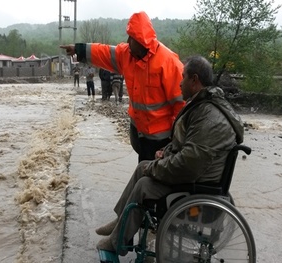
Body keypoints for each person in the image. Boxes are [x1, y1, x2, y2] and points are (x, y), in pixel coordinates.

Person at [94, 55, 245, 255]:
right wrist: (166, 151)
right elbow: (187, 145)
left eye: (183, 77)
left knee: (144, 185)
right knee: (142, 167)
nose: (179, 82)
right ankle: (120, 222)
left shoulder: (210, 117)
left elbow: (189, 164)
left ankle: (117, 242)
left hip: (198, 186)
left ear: (195, 80)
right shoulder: (203, 107)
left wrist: (155, 167)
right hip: (197, 176)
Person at [61, 11, 185, 162]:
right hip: (139, 134)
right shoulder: (127, 54)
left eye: (131, 38)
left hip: (161, 141)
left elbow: (181, 105)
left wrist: (175, 141)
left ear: (141, 41)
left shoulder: (168, 62)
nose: (127, 41)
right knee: (143, 173)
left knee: (153, 181)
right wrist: (79, 50)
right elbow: (104, 52)